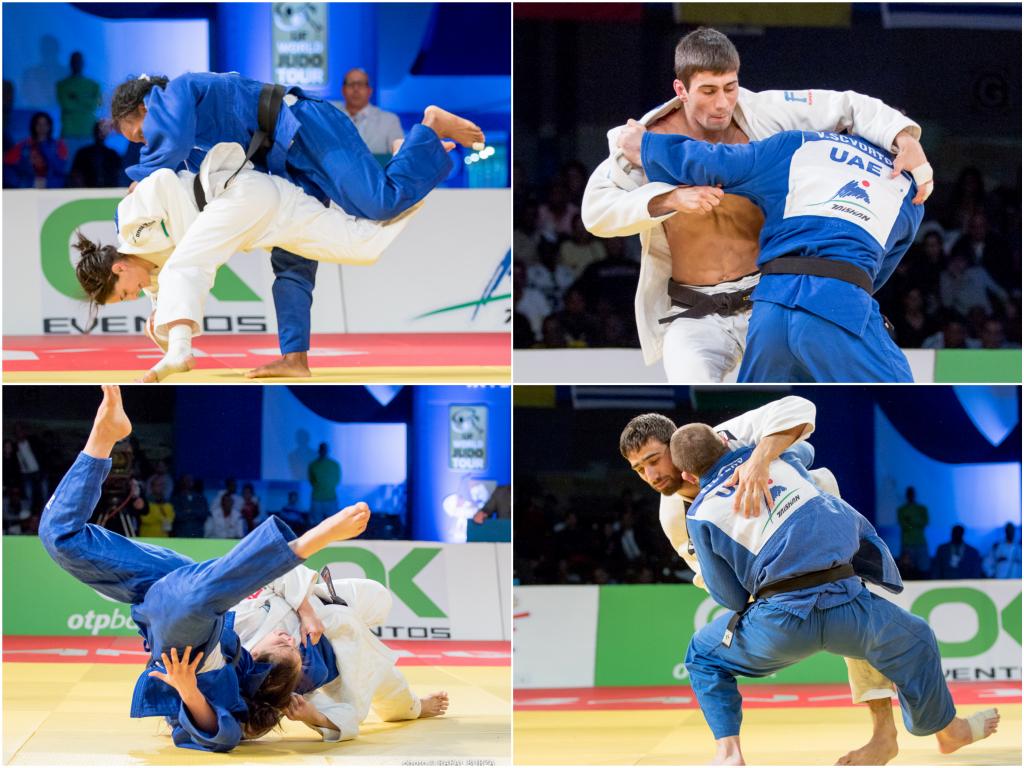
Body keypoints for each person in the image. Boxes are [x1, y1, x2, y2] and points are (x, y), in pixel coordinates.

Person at [582, 27, 933, 382]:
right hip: (696, 312)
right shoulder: (645, 139)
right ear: (681, 90)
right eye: (708, 91)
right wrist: (668, 198)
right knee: (695, 390)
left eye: (730, 87)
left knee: (790, 394)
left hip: (766, 297)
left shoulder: (766, 112)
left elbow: (849, 106)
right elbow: (595, 212)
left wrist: (904, 138)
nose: (722, 103)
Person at [37, 385, 373, 752]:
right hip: (186, 598)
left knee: (59, 536)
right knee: (206, 594)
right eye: (290, 643)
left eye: (284, 646)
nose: (286, 638)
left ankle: (103, 437)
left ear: (260, 669)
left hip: (171, 613)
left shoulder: (236, 705)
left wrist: (190, 692)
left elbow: (224, 735)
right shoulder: (239, 653)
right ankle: (305, 543)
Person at [111, 72, 483, 379]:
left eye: (139, 134)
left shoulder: (174, 93)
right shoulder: (185, 138)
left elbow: (170, 144)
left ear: (144, 107)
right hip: (281, 163)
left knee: (378, 204)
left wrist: (142, 178)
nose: (143, 142)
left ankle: (429, 127)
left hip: (304, 125)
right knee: (291, 261)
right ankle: (295, 358)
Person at [668, 422, 999, 765]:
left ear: (687, 476)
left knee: (702, 655)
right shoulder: (780, 460)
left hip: (780, 624)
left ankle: (729, 754)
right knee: (916, 638)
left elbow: (731, 599)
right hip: (848, 610)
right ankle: (946, 729)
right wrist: (762, 455)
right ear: (724, 442)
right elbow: (807, 448)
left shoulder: (700, 514)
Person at [620, 397, 903, 765]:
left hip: (817, 518)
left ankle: (886, 734)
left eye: (654, 460)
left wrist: (758, 460)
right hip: (767, 570)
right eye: (639, 469)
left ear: (675, 445)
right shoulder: (674, 516)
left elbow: (800, 407)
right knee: (706, 651)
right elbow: (714, 579)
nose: (651, 475)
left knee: (858, 615)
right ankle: (729, 753)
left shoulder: (724, 438)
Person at [72, 140, 423, 382]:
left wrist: (184, 243)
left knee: (184, 267)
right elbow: (170, 305)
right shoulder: (155, 280)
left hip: (239, 194)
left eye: (123, 293)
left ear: (119, 267)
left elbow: (163, 179)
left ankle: (179, 354)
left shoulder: (130, 226)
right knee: (363, 247)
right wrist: (162, 330)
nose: (132, 296)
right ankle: (415, 157)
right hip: (269, 215)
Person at [617, 120, 924, 382]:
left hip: (769, 306)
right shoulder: (911, 191)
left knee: (761, 406)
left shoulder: (800, 144)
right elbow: (876, 273)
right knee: (907, 403)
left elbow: (716, 162)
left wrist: (647, 145)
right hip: (838, 301)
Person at [231, 565, 449, 741]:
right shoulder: (287, 690)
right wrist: (314, 716)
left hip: (314, 603)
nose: (288, 639)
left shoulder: (237, 628)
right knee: (380, 675)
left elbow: (275, 565)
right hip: (337, 652)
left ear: (254, 653)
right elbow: (351, 715)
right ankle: (413, 707)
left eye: (282, 642)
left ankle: (334, 610)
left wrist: (306, 612)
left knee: (379, 596)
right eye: (289, 646)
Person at [333, 68, 404, 156]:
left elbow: (400, 156)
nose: (356, 89)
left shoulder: (389, 120)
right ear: (343, 90)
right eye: (351, 84)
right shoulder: (330, 117)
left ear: (369, 90)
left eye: (361, 84)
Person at [3, 111, 68, 188]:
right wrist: (26, 183)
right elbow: (7, 165)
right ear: (34, 126)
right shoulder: (23, 145)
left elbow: (61, 169)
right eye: (39, 124)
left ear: (50, 126)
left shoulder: (59, 145)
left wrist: (44, 147)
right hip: (28, 185)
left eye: (45, 124)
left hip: (52, 185)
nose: (42, 127)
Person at [56, 51, 102, 160]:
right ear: (70, 63)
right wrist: (86, 99)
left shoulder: (94, 85)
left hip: (89, 132)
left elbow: (95, 105)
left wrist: (75, 98)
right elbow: (66, 104)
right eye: (74, 61)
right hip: (69, 133)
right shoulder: (61, 85)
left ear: (83, 63)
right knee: (68, 165)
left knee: (87, 166)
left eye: (79, 61)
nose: (77, 64)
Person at [67, 120, 125, 188]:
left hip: (109, 190)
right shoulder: (83, 153)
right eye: (98, 131)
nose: (100, 134)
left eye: (103, 131)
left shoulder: (112, 154)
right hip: (87, 190)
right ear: (94, 132)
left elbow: (119, 174)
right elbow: (76, 175)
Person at [896, 487, 930, 576]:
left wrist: (910, 521)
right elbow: (904, 525)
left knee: (923, 568)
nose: (910, 495)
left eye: (912, 493)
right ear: (906, 495)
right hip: (907, 543)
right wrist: (916, 522)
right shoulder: (901, 510)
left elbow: (925, 523)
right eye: (909, 493)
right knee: (907, 569)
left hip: (921, 542)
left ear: (914, 494)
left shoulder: (922, 509)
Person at [308, 443, 341, 526]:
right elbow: (311, 480)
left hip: (330, 498)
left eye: (324, 449)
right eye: (322, 449)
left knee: (333, 524)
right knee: (317, 525)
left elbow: (337, 480)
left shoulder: (334, 465)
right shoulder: (313, 465)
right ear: (319, 451)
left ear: (327, 451)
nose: (323, 451)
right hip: (317, 499)